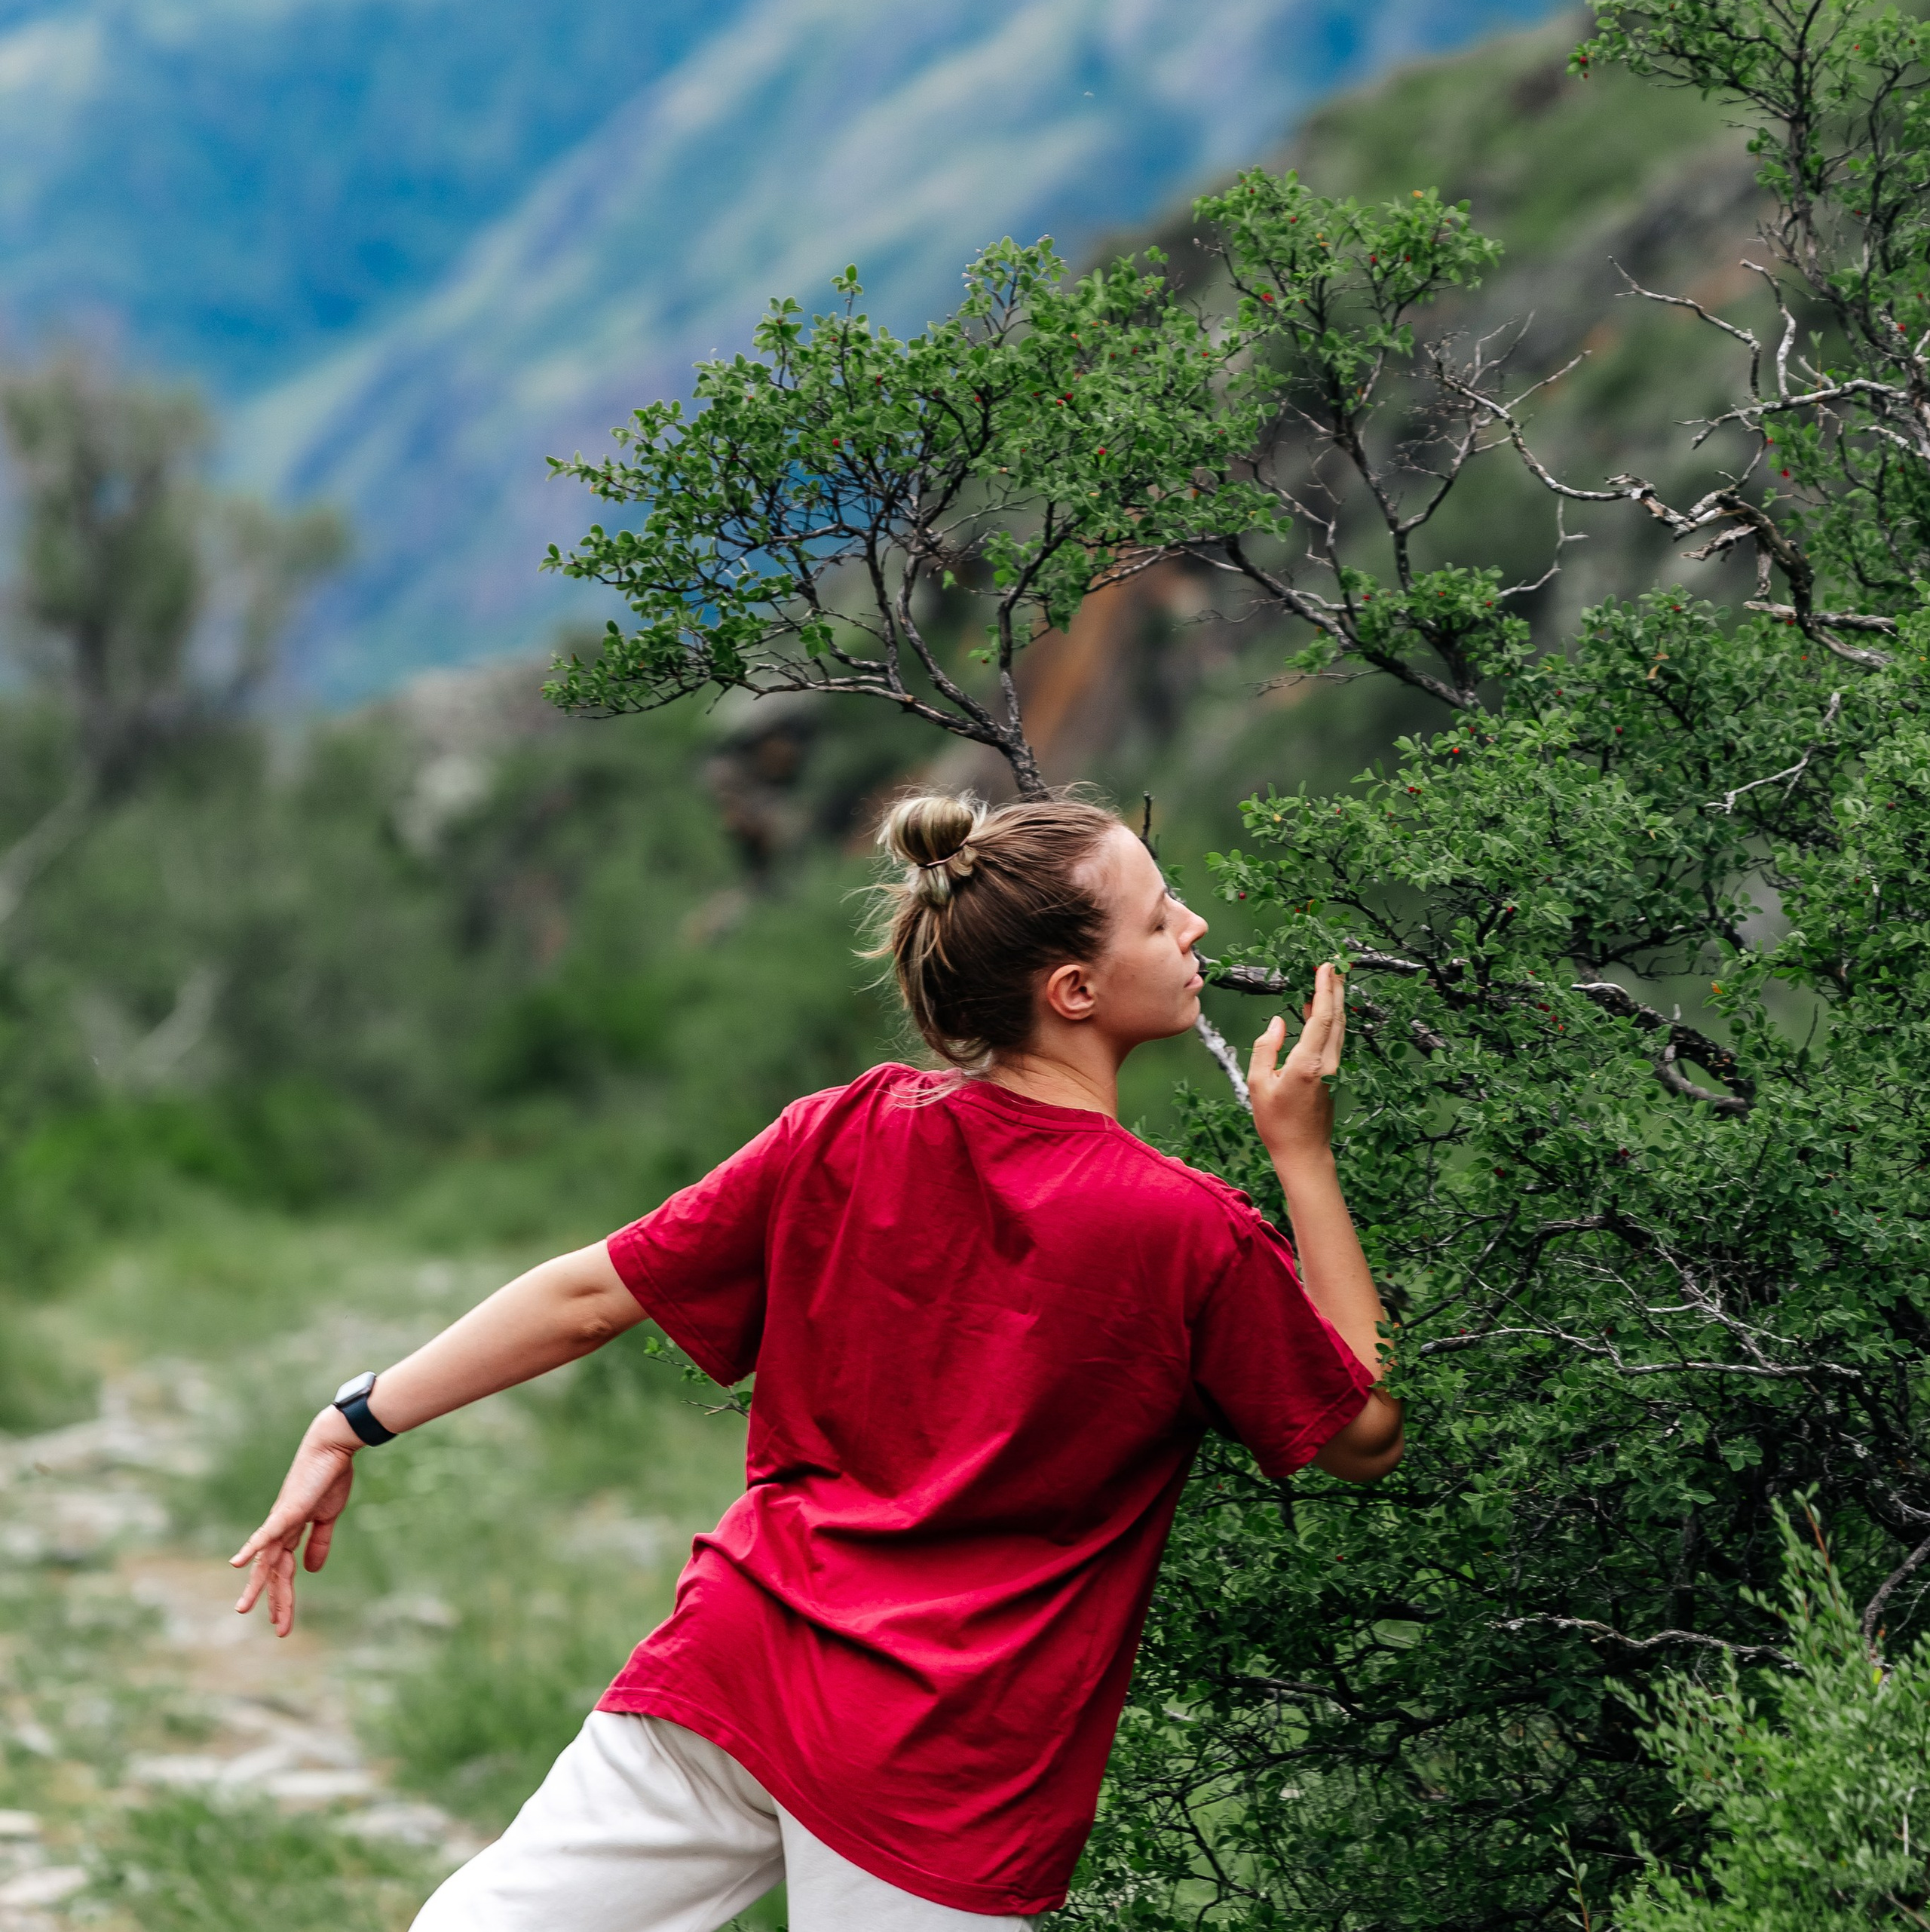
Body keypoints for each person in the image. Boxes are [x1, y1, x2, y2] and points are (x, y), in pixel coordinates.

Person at [231, 790, 1404, 1932]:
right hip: (945, 1766)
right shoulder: (1186, 1226)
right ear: (1074, 989)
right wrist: (1300, 1154)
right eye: (1160, 915)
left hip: (739, 1670)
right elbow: (1361, 1432)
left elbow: (590, 1296)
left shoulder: (844, 1127)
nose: (1193, 925)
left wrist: (354, 1417)